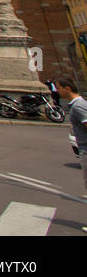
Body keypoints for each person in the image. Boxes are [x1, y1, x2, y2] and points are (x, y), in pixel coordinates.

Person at [55, 78, 86, 214]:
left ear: (67, 88)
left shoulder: (78, 106)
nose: (57, 90)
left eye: (59, 87)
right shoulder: (79, 103)